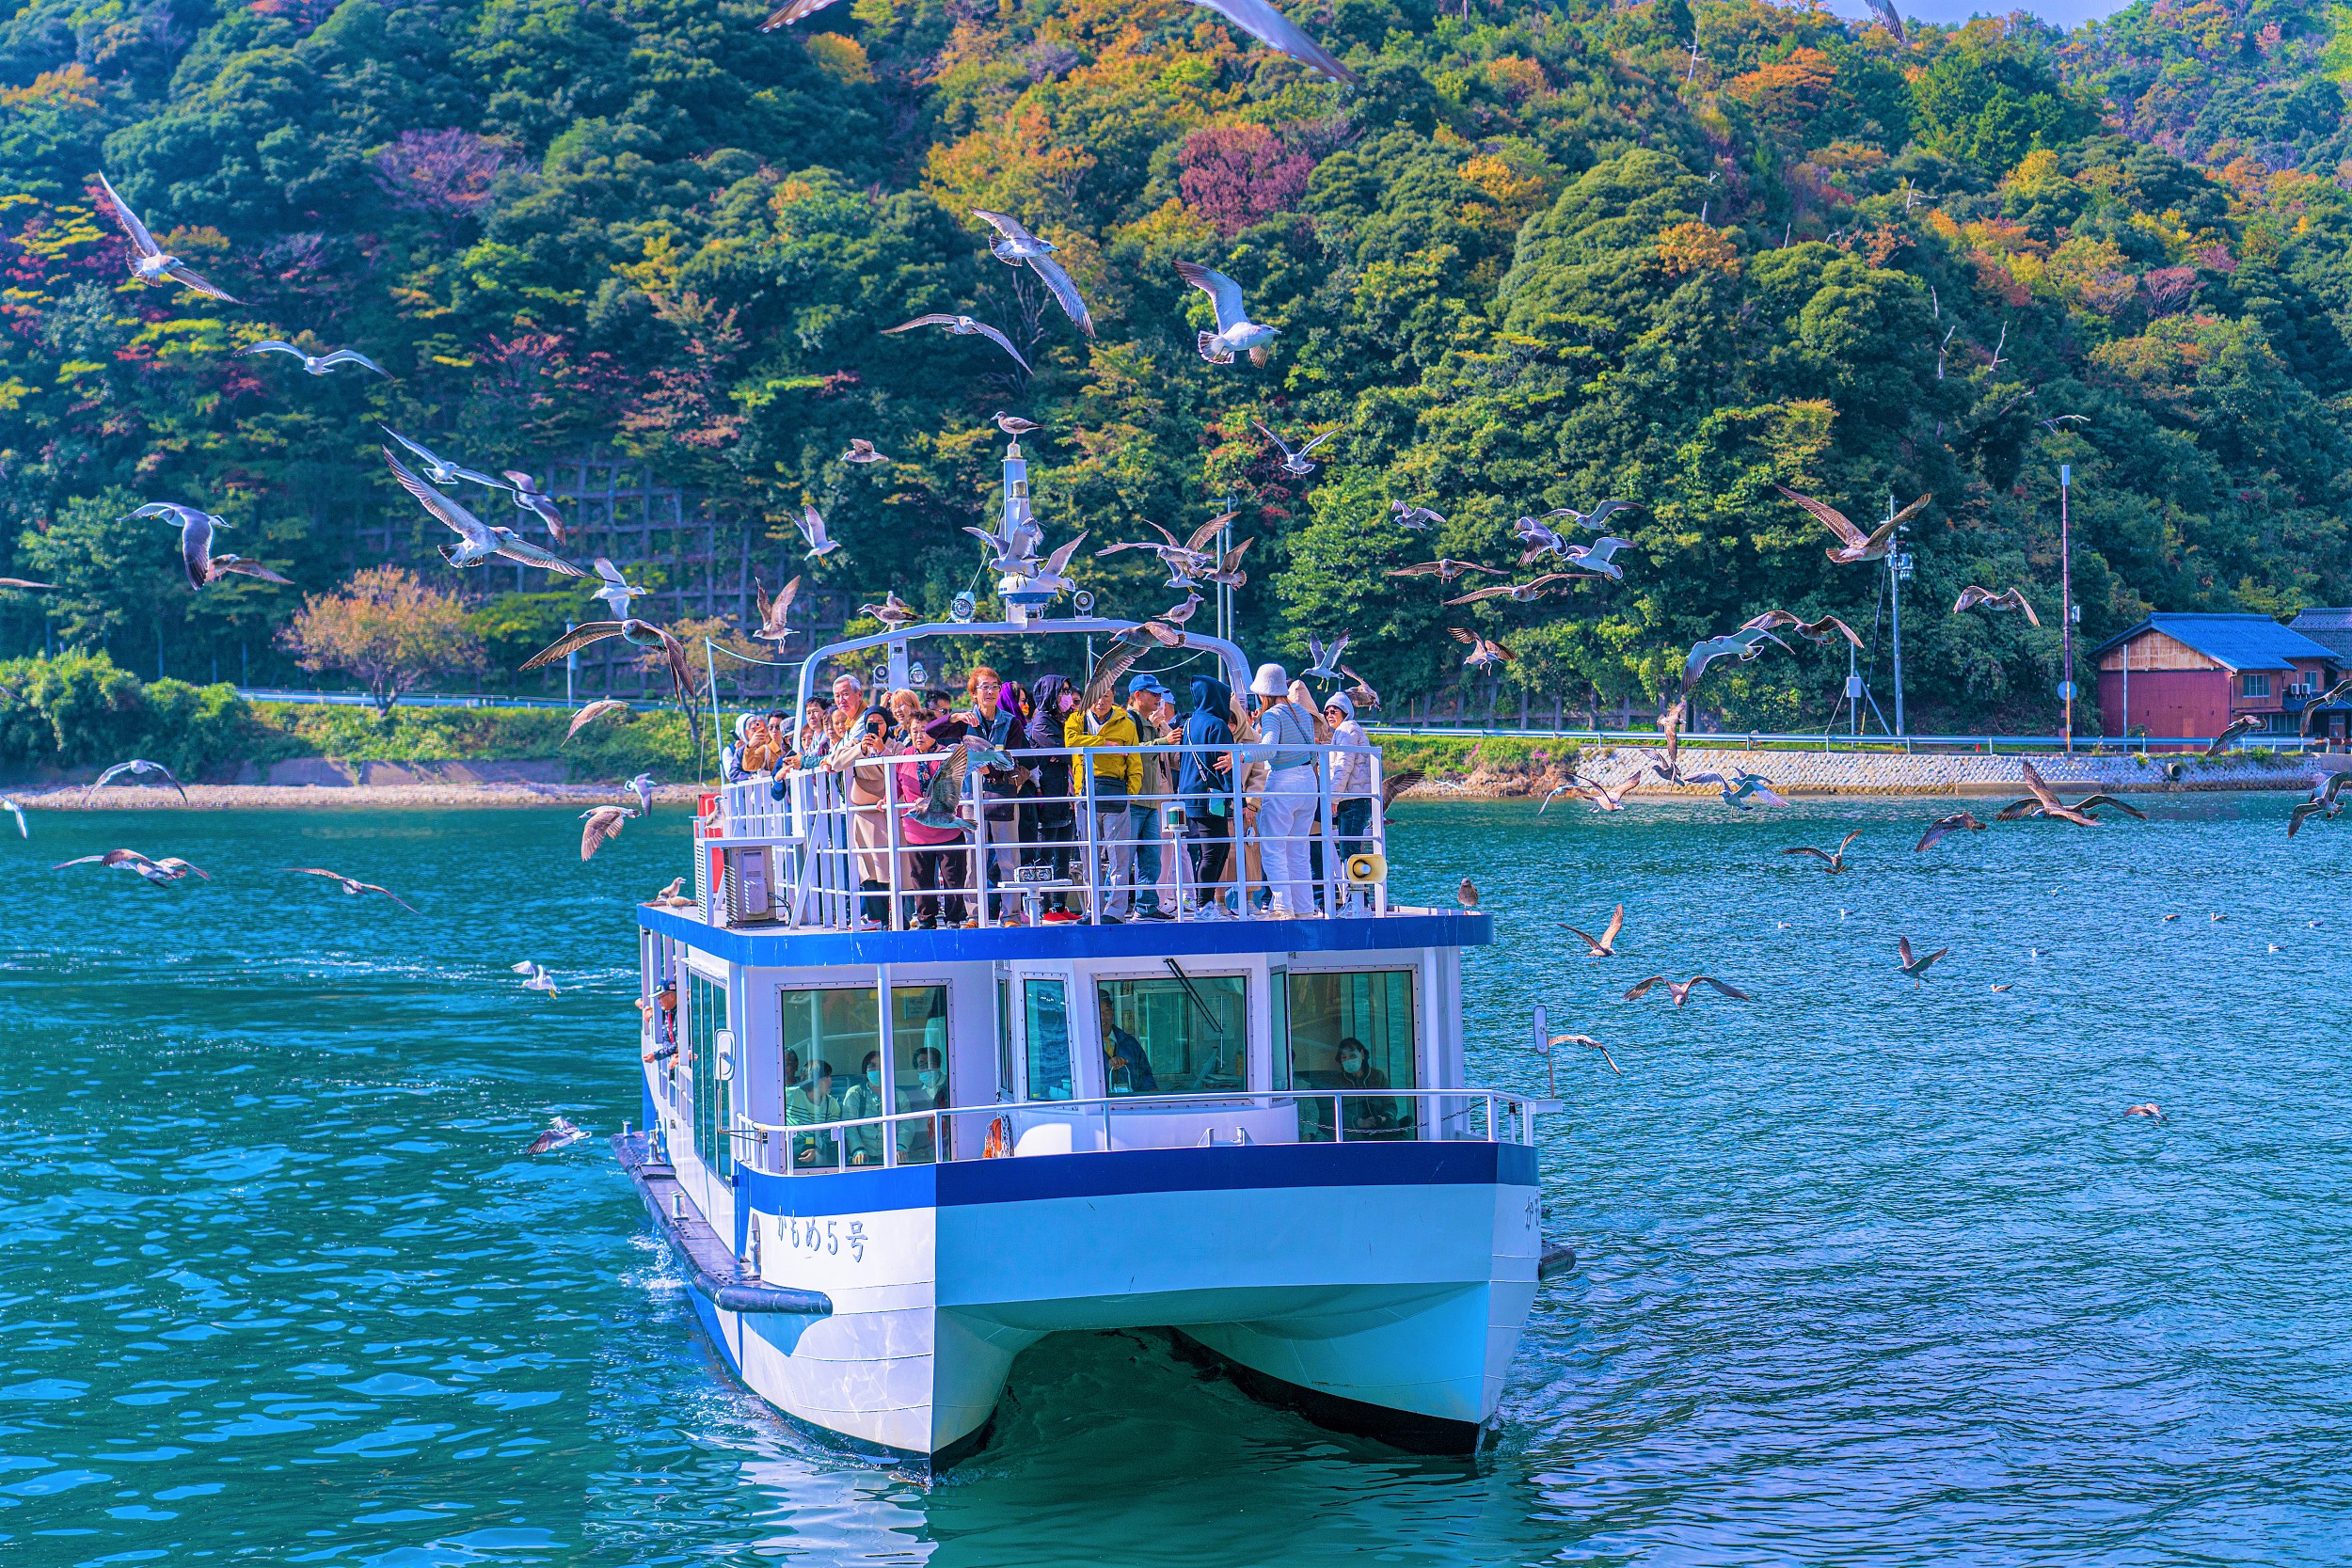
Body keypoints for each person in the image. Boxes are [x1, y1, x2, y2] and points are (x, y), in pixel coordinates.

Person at [1248, 662, 1322, 918]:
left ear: (1263, 693)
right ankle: (1304, 908)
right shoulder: (1301, 711)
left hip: (1284, 781)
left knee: (1272, 845)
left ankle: (1282, 906)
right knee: (1298, 850)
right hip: (1308, 783)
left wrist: (1239, 755)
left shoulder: (1272, 715)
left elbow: (1268, 749)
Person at [1067, 679, 1142, 921]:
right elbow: (1071, 741)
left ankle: (1116, 910)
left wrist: (1131, 791)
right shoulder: (1076, 719)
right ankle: (1093, 909)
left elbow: (1135, 760)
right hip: (1085, 794)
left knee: (1119, 855)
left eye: (1107, 696)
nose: (1102, 701)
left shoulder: (1126, 722)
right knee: (1089, 855)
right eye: (1097, 696)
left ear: (1113, 697)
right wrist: (1104, 744)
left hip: (1115, 793)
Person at [897, 715, 972, 927]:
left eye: (923, 729)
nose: (919, 735)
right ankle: (926, 921)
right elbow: (897, 787)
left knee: (953, 878)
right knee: (921, 880)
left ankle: (954, 919)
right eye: (914, 730)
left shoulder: (946, 755)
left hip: (947, 829)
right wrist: (886, 800)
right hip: (916, 832)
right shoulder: (903, 756)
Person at [1024, 674, 1082, 922]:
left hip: (1065, 797)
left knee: (1064, 854)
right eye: (1062, 691)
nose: (1067, 697)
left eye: (1068, 691)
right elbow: (1066, 750)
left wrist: (1068, 751)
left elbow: (1072, 748)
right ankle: (1043, 908)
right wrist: (1066, 752)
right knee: (1045, 855)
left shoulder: (1065, 719)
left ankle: (1059, 906)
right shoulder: (1041, 721)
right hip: (1047, 797)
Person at [1178, 674, 1236, 919]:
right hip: (1213, 796)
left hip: (1191, 795)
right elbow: (1224, 763)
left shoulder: (1190, 723)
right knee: (1215, 852)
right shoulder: (1217, 725)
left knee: (1209, 851)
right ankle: (1204, 905)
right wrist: (1235, 796)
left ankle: (1205, 902)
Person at [1126, 674, 1177, 919]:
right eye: (1153, 693)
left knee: (1151, 858)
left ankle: (1146, 907)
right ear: (1138, 695)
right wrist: (1162, 741)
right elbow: (1131, 752)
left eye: (1160, 693)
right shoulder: (1127, 720)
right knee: (1122, 858)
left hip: (1149, 800)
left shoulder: (1148, 721)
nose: (1159, 697)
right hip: (1134, 799)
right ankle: (1108, 907)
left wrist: (1162, 732)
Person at [981, 680, 1033, 921]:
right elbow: (934, 731)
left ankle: (1010, 913)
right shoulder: (966, 722)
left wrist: (987, 768)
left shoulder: (1012, 723)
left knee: (1008, 858)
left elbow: (1014, 761)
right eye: (984, 687)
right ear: (974, 693)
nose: (1023, 705)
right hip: (974, 796)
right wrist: (953, 719)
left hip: (1004, 794)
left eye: (994, 687)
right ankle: (976, 915)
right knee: (975, 858)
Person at [1333, 1037, 1402, 1138]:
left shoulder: (1378, 1076)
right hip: (1352, 1130)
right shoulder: (1338, 1080)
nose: (1348, 1060)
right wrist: (1359, 1121)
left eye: (1352, 1056)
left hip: (1379, 1126)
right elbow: (1334, 1110)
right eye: (1344, 1058)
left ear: (1362, 1054)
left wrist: (1381, 1118)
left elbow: (1390, 1104)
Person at [899, 1044, 949, 1163]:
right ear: (917, 1070)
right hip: (923, 1155)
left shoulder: (951, 1086)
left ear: (939, 1065)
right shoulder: (914, 1096)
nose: (928, 1068)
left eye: (931, 1063)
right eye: (922, 1065)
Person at [787, 1060, 842, 1166]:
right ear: (813, 1079)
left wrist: (817, 1152)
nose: (830, 1081)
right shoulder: (789, 1096)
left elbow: (832, 1137)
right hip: (791, 1150)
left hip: (818, 1149)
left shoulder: (832, 1104)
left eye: (830, 1077)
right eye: (826, 1077)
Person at [1099, 992, 1156, 1094]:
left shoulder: (1130, 1043)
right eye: (1099, 1011)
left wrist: (1155, 1098)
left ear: (1112, 1012)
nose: (1103, 1017)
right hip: (1100, 1107)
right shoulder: (1083, 1048)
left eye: (1106, 1011)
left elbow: (1146, 1075)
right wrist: (1106, 1066)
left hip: (1132, 1106)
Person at [841, 1049, 887, 1165]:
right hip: (862, 1158)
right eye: (872, 1067)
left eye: (881, 1066)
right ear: (865, 1071)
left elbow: (906, 1126)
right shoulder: (854, 1094)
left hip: (890, 1156)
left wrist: (901, 1147)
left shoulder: (898, 1095)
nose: (877, 1070)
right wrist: (858, 1149)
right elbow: (849, 1126)